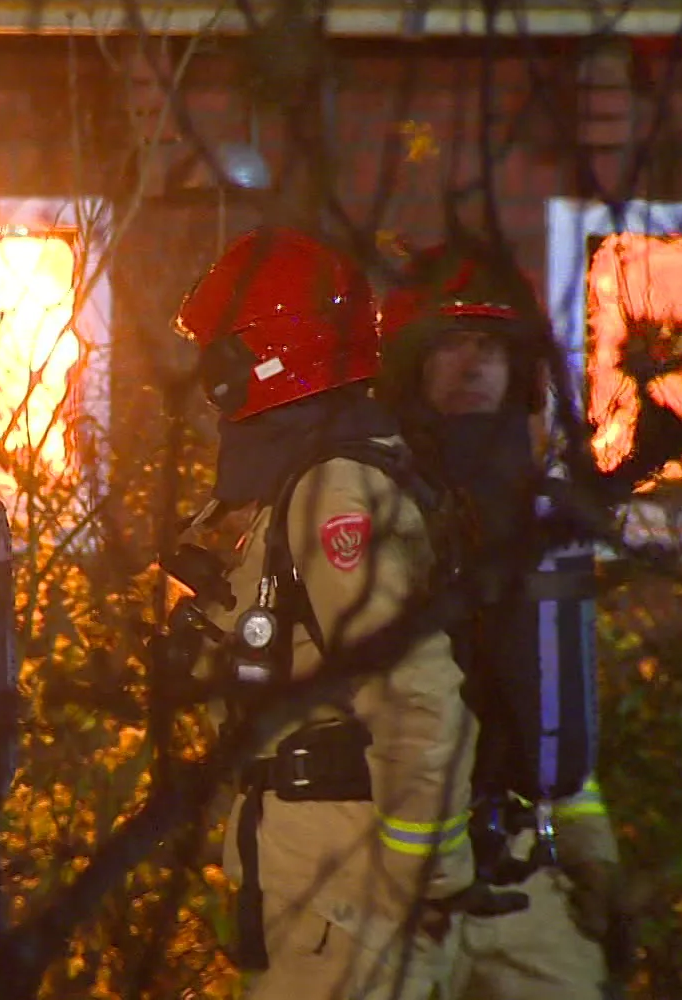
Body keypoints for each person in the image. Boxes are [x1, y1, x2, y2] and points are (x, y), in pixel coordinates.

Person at [169, 227, 496, 1000]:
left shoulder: (333, 494)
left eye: (220, 351)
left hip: (349, 888)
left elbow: (416, 697)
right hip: (323, 879)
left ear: (261, 357)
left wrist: (417, 881)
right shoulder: (307, 481)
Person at [375, 238, 638, 999]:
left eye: (490, 344)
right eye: (452, 342)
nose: (473, 364)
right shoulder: (365, 509)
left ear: (521, 367)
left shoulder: (541, 523)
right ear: (412, 364)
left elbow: (556, 708)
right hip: (391, 883)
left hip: (525, 872)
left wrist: (594, 855)